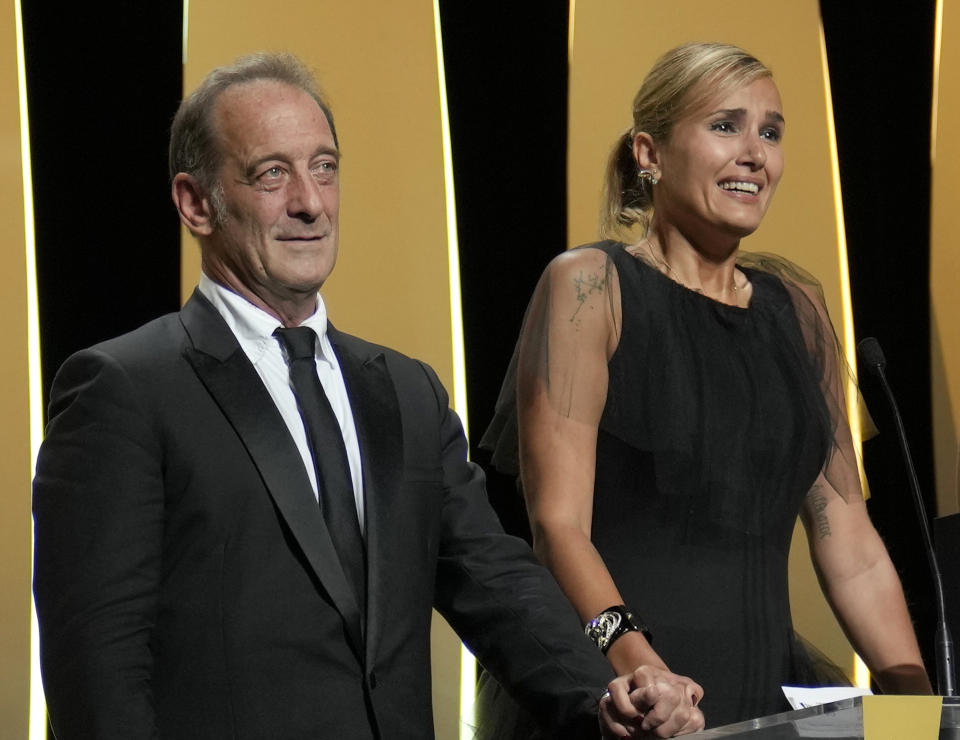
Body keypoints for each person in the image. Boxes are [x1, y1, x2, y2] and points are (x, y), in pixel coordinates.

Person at [31, 52, 702, 739]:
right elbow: (97, 666)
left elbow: (493, 581)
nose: (310, 202)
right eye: (272, 174)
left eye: (324, 167)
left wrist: (606, 697)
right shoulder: (124, 389)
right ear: (196, 203)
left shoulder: (405, 391)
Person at [480, 41, 931, 730]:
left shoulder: (799, 313)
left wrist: (922, 707)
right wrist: (637, 663)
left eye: (771, 132)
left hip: (765, 702)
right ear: (648, 153)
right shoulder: (590, 287)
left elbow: (852, 543)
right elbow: (557, 527)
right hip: (626, 699)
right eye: (726, 125)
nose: (755, 153)